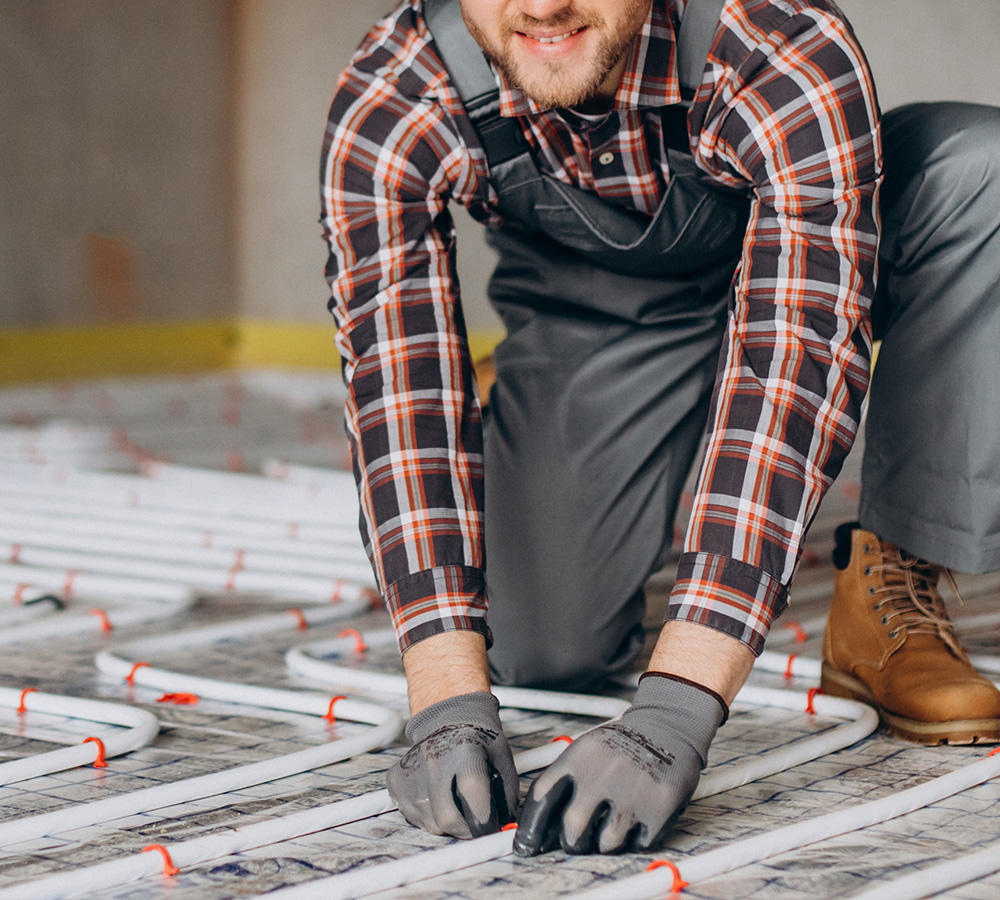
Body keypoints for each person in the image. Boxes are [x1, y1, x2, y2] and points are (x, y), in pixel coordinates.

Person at [319, 0, 1000, 856]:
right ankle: (545, 405)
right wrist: (445, 689)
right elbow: (399, 387)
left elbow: (794, 359)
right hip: (605, 309)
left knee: (982, 167)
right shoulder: (396, 90)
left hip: (810, 255)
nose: (540, 4)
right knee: (545, 652)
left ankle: (891, 578)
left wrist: (676, 708)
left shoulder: (775, 41)